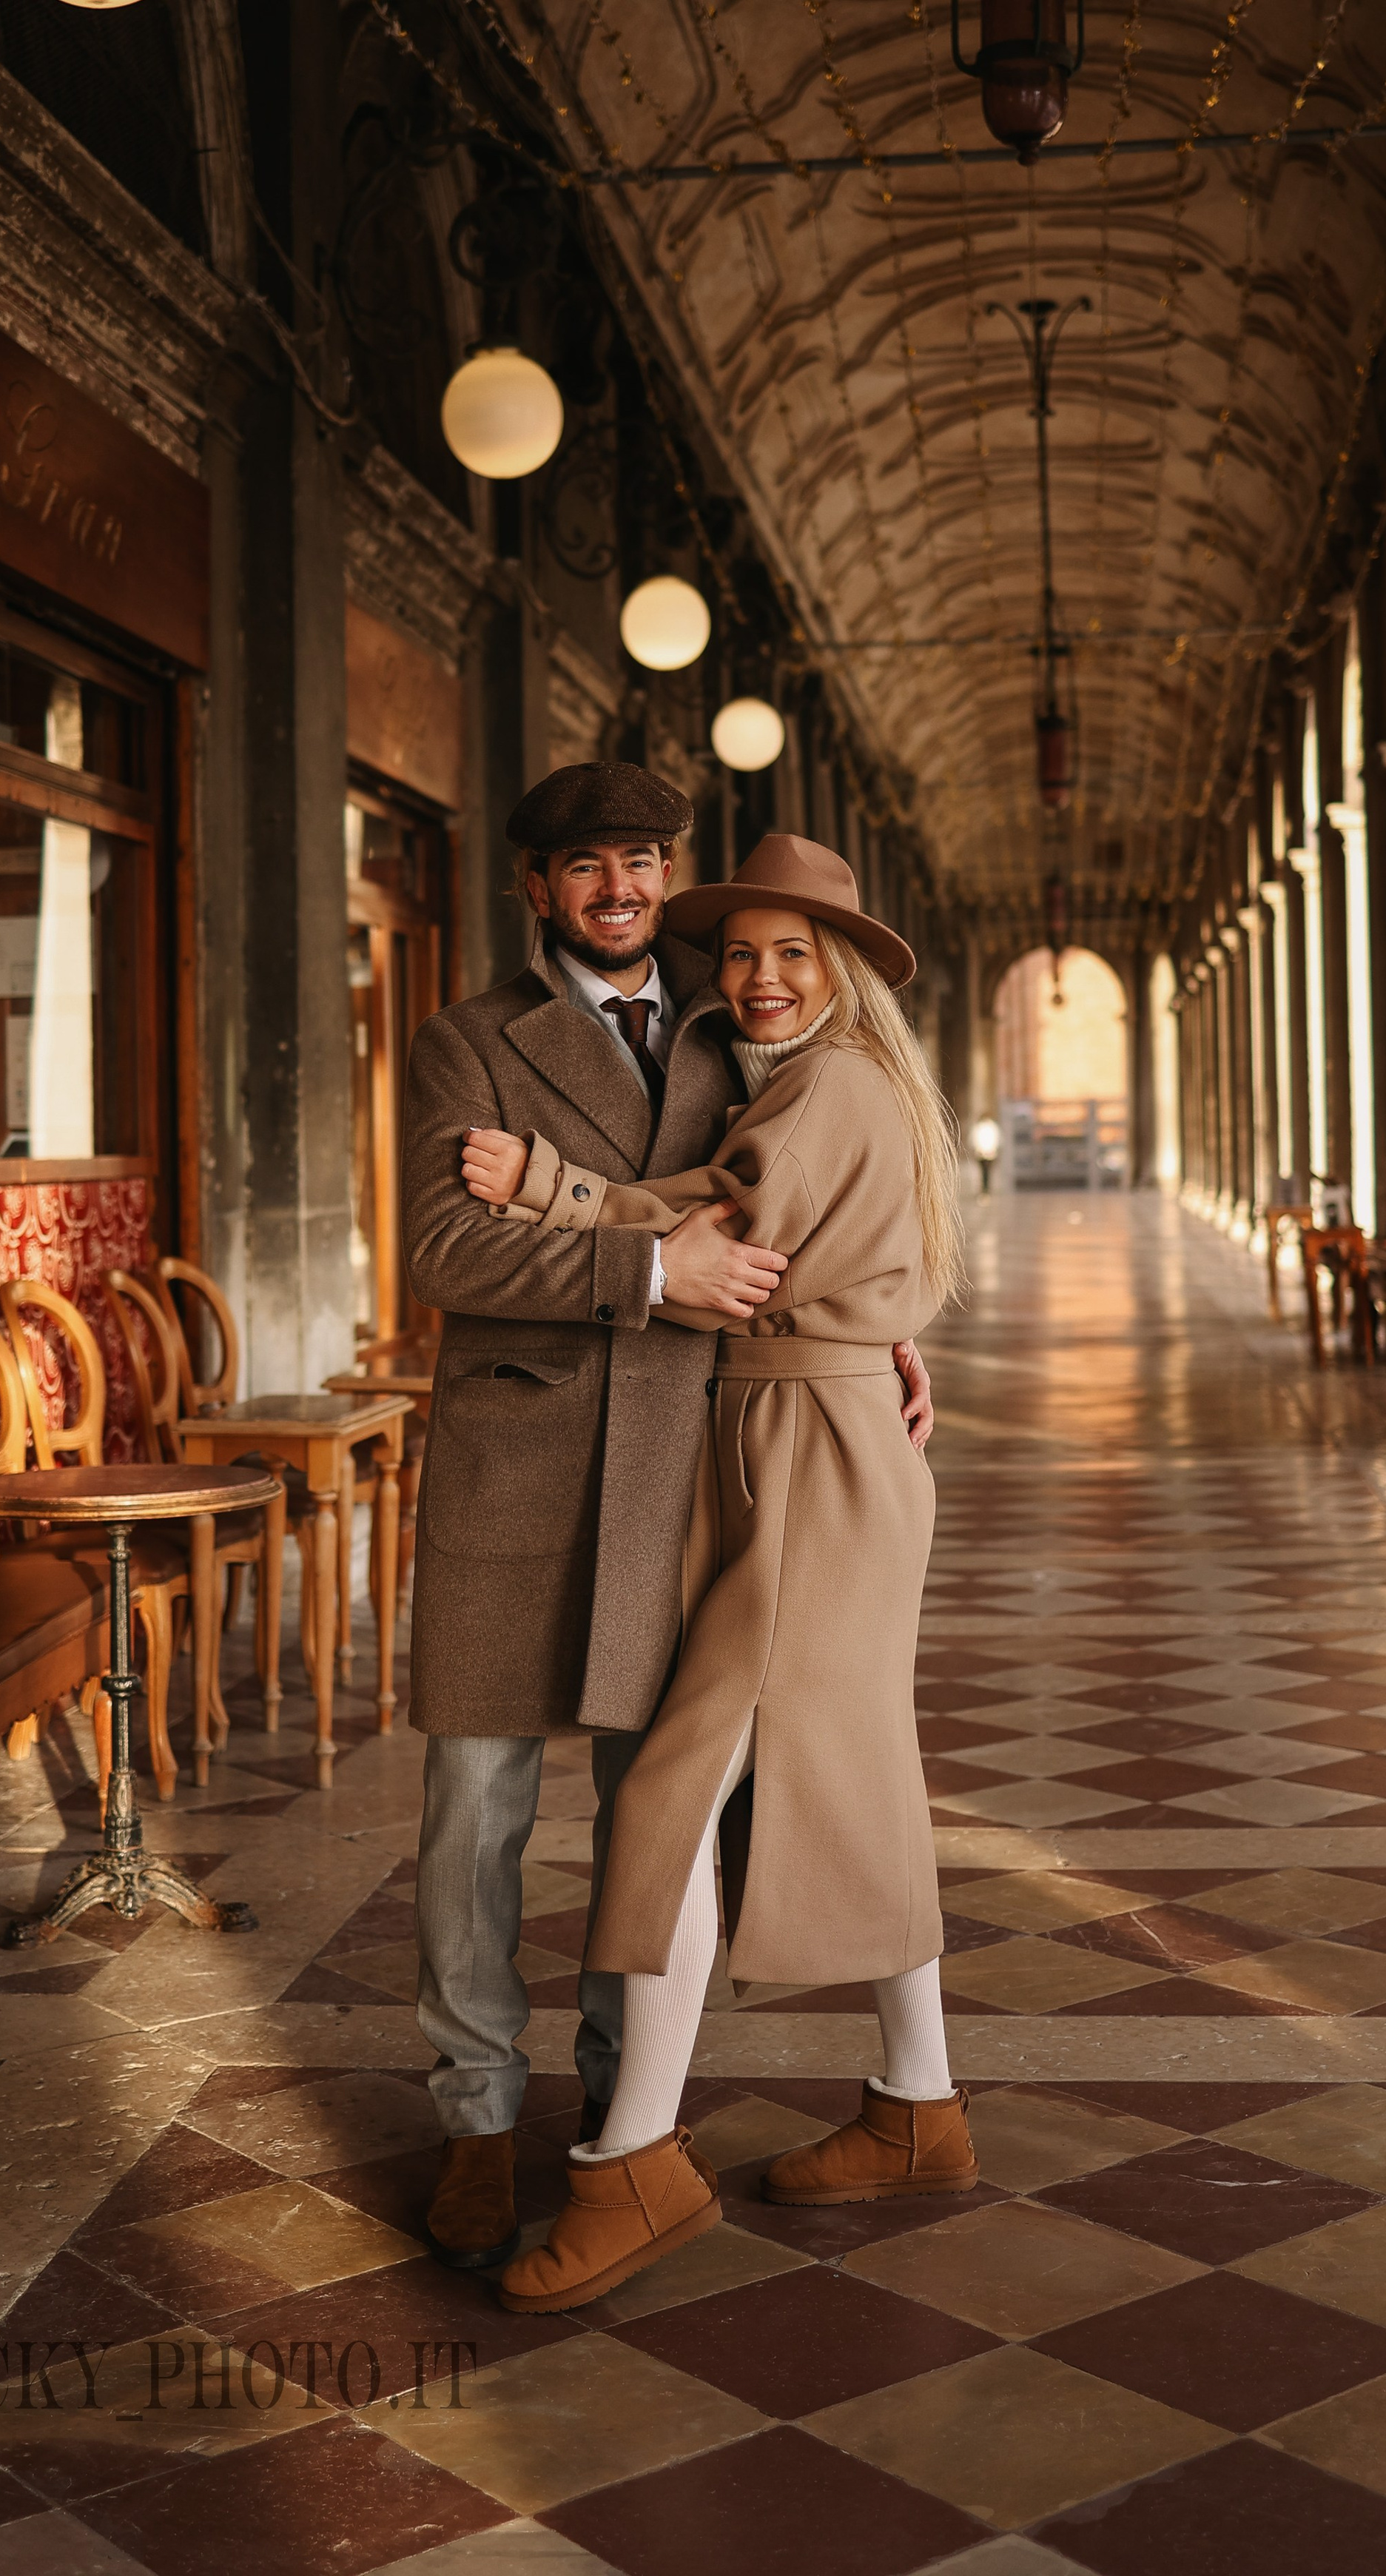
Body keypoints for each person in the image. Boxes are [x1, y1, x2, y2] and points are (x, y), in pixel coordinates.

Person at [401, 772, 931, 2277]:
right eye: (584, 867)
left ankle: (615, 2111)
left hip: (692, 1472)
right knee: (477, 1808)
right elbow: (446, 1245)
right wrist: (650, 1279)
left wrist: (874, 1322)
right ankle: (473, 2115)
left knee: (663, 1803)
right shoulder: (463, 1042)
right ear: (535, 886)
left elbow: (804, 1200)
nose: (617, 890)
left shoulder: (740, 1018)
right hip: (519, 1468)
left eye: (639, 862)